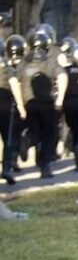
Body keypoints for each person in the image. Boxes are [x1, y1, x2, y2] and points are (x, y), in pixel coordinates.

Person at [11, 28, 66, 179]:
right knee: (48, 134)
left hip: (29, 104)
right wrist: (60, 99)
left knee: (34, 131)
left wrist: (20, 105)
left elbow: (14, 80)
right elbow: (62, 76)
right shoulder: (49, 61)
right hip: (47, 104)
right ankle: (45, 167)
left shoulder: (24, 62)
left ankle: (28, 141)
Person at [1, 36, 25, 184]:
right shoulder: (7, 69)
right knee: (8, 138)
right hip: (5, 107)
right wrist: (21, 107)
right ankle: (6, 168)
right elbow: (14, 85)